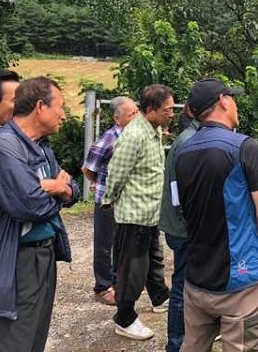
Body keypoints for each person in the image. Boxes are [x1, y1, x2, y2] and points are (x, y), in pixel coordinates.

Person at [174, 78, 258, 351]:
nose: (236, 104)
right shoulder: (244, 147)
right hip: (240, 283)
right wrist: (250, 243)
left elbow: (181, 210)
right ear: (223, 100)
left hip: (196, 280)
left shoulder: (181, 152)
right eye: (233, 98)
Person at [0, 76, 80, 351]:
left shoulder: (42, 147)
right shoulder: (5, 146)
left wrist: (58, 189)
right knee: (16, 339)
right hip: (19, 258)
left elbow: (74, 189)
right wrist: (55, 189)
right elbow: (27, 206)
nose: (64, 114)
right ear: (41, 106)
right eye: (61, 106)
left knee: (36, 336)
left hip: (44, 255)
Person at [102, 84, 174, 340]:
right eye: (167, 109)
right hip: (134, 215)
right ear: (151, 109)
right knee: (132, 268)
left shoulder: (152, 129)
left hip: (150, 214)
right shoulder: (134, 136)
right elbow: (116, 174)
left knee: (153, 260)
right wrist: (110, 200)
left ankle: (160, 297)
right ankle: (125, 317)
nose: (171, 113)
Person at [81, 96, 139, 305]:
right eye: (131, 114)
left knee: (120, 242)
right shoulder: (109, 139)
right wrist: (97, 183)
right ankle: (103, 287)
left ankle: (117, 282)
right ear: (117, 118)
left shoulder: (134, 136)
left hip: (125, 200)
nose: (136, 117)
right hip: (107, 201)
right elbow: (87, 168)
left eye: (137, 112)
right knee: (105, 243)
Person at [159, 102, 200, 352]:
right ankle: (176, 344)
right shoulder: (189, 142)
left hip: (183, 225)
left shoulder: (193, 137)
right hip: (184, 228)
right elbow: (180, 195)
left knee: (189, 283)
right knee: (182, 285)